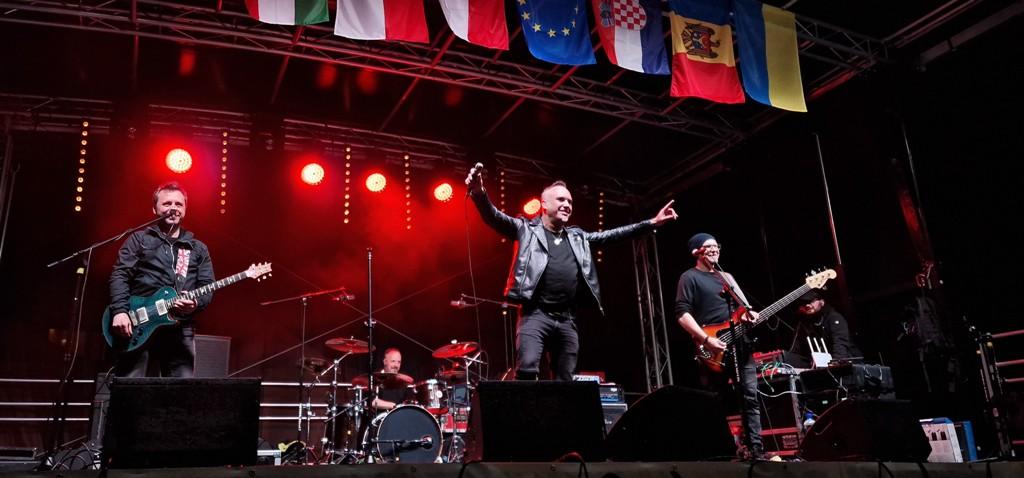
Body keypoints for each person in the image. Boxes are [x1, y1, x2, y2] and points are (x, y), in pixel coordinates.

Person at [466, 166, 678, 381]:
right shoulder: (526, 229)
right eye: (561, 200)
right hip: (535, 314)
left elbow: (613, 235)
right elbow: (495, 217)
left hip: (567, 318)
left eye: (570, 202)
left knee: (566, 378)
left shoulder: (578, 238)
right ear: (544, 204)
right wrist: (479, 193)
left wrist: (651, 223)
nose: (567, 205)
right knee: (527, 369)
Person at [109, 181, 215, 377]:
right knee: (130, 387)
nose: (173, 208)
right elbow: (120, 274)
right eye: (167, 203)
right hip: (138, 322)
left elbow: (207, 286)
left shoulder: (197, 248)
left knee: (178, 390)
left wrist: (195, 303)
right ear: (155, 209)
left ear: (185, 209)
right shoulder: (139, 239)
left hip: (179, 328)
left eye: (178, 204)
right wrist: (120, 311)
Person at [674, 232, 764, 460]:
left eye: (717, 246)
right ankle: (721, 451)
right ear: (697, 252)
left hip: (741, 345)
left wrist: (750, 314)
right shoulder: (689, 277)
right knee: (716, 401)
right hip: (713, 346)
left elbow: (744, 309)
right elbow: (682, 314)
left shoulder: (727, 277)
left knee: (750, 397)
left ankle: (756, 449)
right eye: (708, 246)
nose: (715, 249)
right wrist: (706, 340)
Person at [786, 289, 855, 367]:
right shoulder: (803, 324)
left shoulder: (834, 318)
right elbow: (795, 349)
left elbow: (840, 343)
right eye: (804, 303)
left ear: (822, 302)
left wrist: (836, 362)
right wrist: (788, 363)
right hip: (822, 366)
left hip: (847, 364)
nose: (807, 305)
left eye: (811, 301)